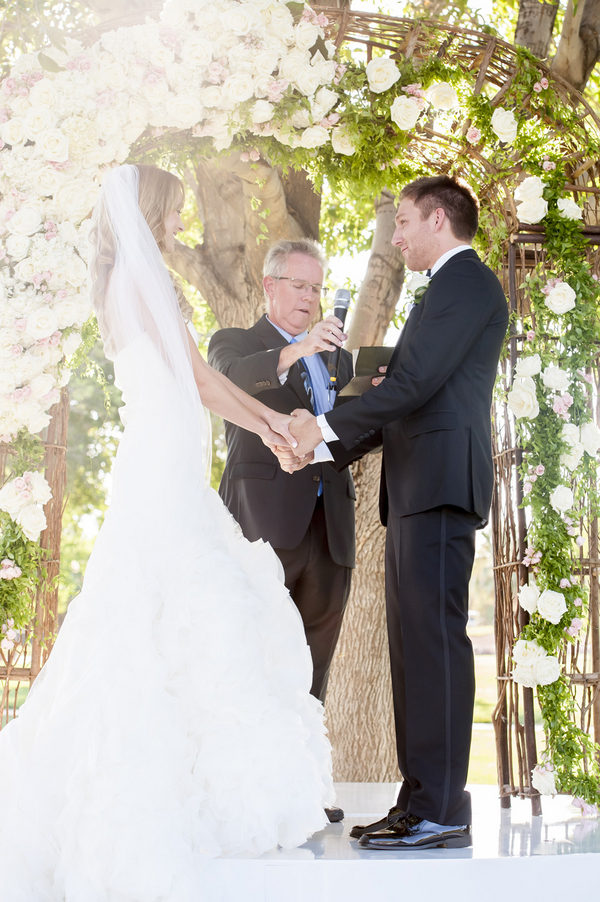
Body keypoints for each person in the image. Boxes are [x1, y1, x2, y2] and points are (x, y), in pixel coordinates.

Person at [0, 164, 334, 901]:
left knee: (172, 611)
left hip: (166, 454)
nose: (181, 222)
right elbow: (201, 381)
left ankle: (194, 783)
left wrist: (270, 425)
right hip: (160, 462)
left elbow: (198, 384)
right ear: (150, 213)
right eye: (175, 210)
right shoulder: (139, 282)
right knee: (174, 606)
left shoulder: (127, 282)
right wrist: (275, 424)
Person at [280, 175, 508, 850]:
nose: (397, 236)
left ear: (438, 219)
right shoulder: (443, 290)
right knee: (413, 650)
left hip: (439, 488)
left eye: (404, 222)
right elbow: (408, 393)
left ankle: (442, 810)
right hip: (417, 490)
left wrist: (321, 429)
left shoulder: (466, 283)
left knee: (433, 647)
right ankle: (419, 801)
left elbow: (412, 387)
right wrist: (324, 448)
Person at [207, 239, 355, 711]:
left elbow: (349, 433)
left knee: (314, 665)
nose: (310, 298)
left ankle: (302, 751)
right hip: (262, 524)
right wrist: (297, 350)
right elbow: (229, 380)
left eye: (317, 288)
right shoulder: (232, 342)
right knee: (252, 652)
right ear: (270, 286)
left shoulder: (338, 359)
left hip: (332, 530)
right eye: (299, 286)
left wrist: (375, 394)